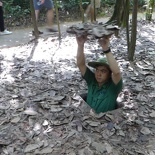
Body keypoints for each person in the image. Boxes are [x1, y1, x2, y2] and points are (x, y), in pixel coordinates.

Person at [76, 34, 123, 114]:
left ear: (109, 74)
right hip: (87, 120)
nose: (98, 74)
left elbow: (117, 72)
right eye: (97, 70)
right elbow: (81, 64)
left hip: (104, 123)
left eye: (103, 71)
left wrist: (106, 49)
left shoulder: (113, 87)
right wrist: (80, 45)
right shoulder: (92, 80)